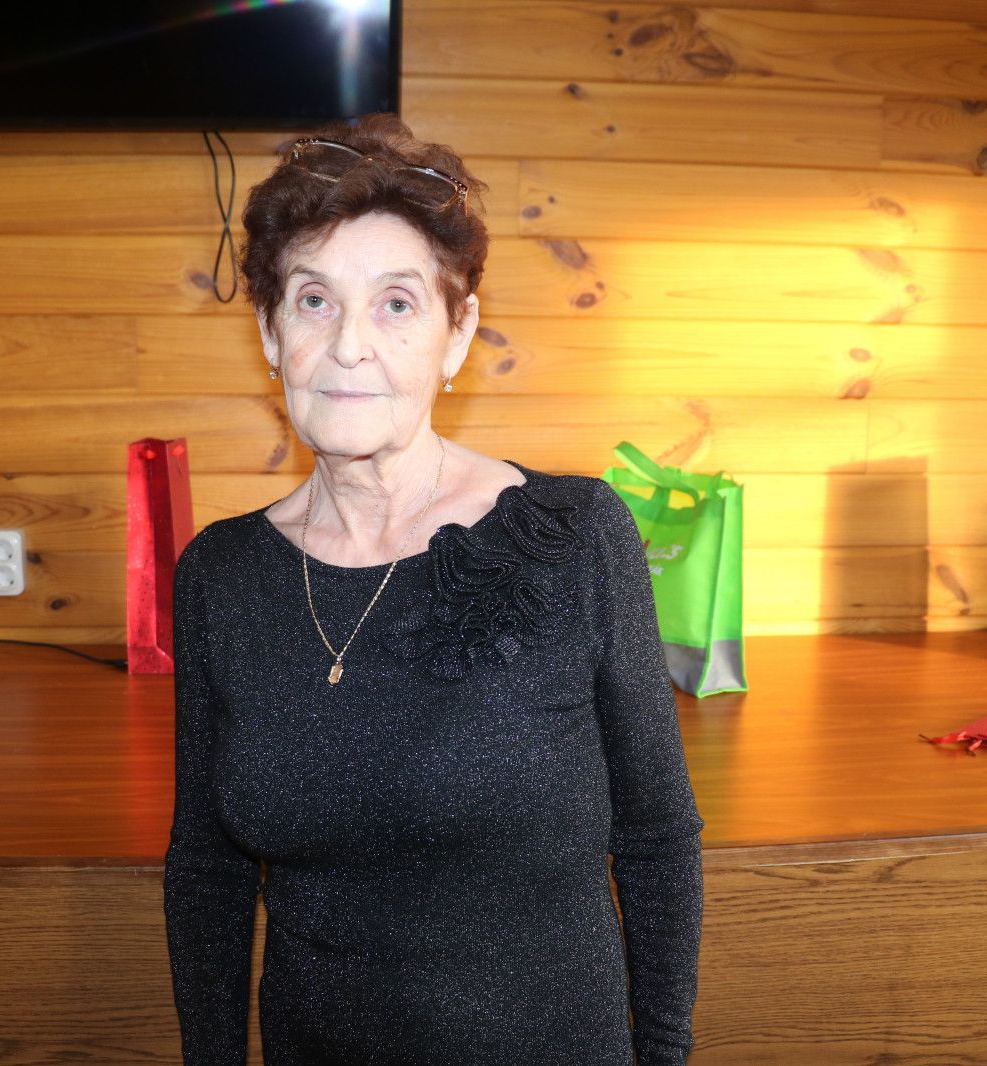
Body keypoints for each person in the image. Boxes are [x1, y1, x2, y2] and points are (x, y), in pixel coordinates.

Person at [163, 112, 705, 1065]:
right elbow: (208, 867)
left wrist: (660, 1055)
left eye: (397, 304)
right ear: (269, 332)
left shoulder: (576, 536)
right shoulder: (221, 575)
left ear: (458, 336)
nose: (349, 346)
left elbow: (657, 835)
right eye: (315, 300)